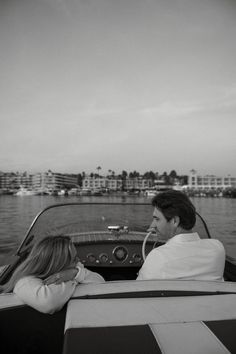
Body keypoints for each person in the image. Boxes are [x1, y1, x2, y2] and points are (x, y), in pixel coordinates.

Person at [0, 235, 104, 313]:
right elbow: (48, 303)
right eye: (73, 259)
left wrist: (74, 273)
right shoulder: (24, 281)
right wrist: (71, 278)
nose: (78, 261)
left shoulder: (72, 269)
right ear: (57, 265)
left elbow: (100, 283)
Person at [137, 190, 225, 281]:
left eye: (157, 219)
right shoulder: (217, 248)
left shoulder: (158, 256)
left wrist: (150, 262)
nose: (152, 225)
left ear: (175, 221)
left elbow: (137, 289)